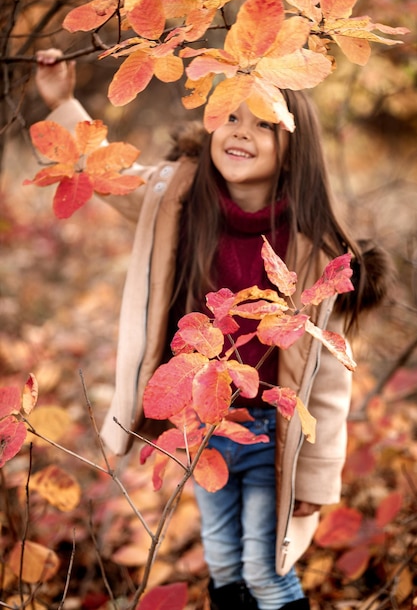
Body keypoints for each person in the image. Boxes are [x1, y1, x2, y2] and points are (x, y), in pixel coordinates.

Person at [34, 49, 389, 610]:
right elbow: (104, 172)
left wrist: (316, 484)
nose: (239, 132)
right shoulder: (175, 195)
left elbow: (328, 385)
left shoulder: (316, 248)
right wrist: (61, 102)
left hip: (276, 434)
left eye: (263, 124)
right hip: (203, 424)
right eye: (229, 116)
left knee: (266, 571)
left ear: (295, 147)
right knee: (224, 564)